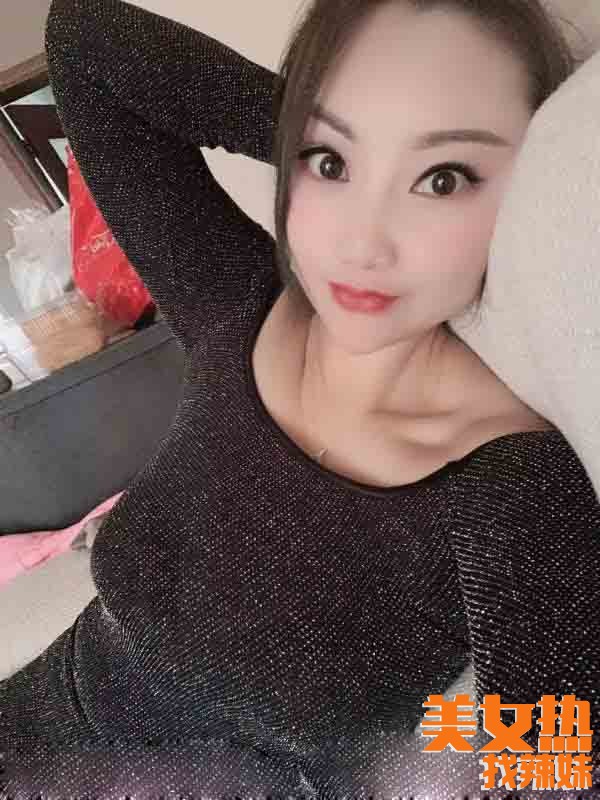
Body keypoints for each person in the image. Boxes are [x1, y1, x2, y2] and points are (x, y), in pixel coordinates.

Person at [1, 0, 599, 797]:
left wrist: (349, 147)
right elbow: (86, 40)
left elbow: (552, 767)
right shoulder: (239, 302)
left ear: (524, 194)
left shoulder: (517, 489)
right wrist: (315, 135)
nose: (361, 240)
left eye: (443, 178)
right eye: (329, 164)